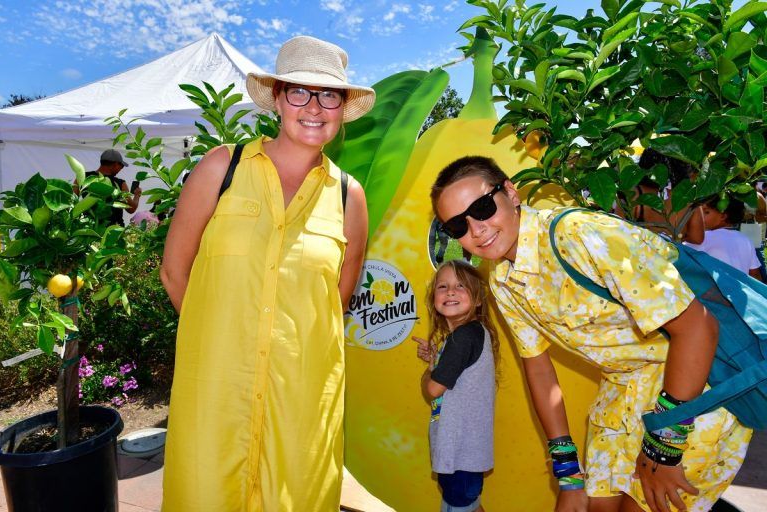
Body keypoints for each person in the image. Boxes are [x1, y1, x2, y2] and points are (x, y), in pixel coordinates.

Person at [430, 156, 752, 512]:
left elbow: (698, 325)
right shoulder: (502, 280)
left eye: (483, 207)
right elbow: (538, 369)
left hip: (689, 389)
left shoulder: (579, 234)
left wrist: (665, 444)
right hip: (620, 394)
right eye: (458, 225)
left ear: (511, 192)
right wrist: (567, 473)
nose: (475, 230)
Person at [160, 35, 374, 511]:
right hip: (215, 393)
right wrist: (218, 340)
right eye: (298, 91)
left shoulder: (349, 196)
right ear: (277, 98)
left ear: (342, 108)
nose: (313, 107)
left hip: (301, 399)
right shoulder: (223, 167)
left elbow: (337, 298)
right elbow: (175, 271)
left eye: (328, 95)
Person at [413, 260, 499, 512]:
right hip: (465, 451)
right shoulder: (468, 335)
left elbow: (433, 389)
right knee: (470, 505)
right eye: (443, 286)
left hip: (461, 452)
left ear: (479, 299)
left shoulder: (463, 337)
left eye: (460, 285)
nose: (450, 291)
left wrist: (427, 375)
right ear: (434, 299)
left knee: (459, 505)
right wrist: (434, 361)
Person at [619, 148, 704, 244]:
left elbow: (617, 228)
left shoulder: (634, 193)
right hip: (670, 257)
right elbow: (697, 238)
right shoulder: (689, 197)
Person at [686, 197, 763, 282]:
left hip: (714, 293)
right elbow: (754, 273)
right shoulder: (745, 239)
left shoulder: (703, 239)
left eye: (706, 212)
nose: (701, 216)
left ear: (723, 216)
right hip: (739, 292)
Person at [86, 149, 141, 226]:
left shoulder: (84, 177)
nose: (120, 169)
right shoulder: (120, 183)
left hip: (89, 227)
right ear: (115, 164)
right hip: (114, 230)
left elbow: (71, 199)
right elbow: (131, 208)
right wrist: (137, 195)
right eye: (121, 166)